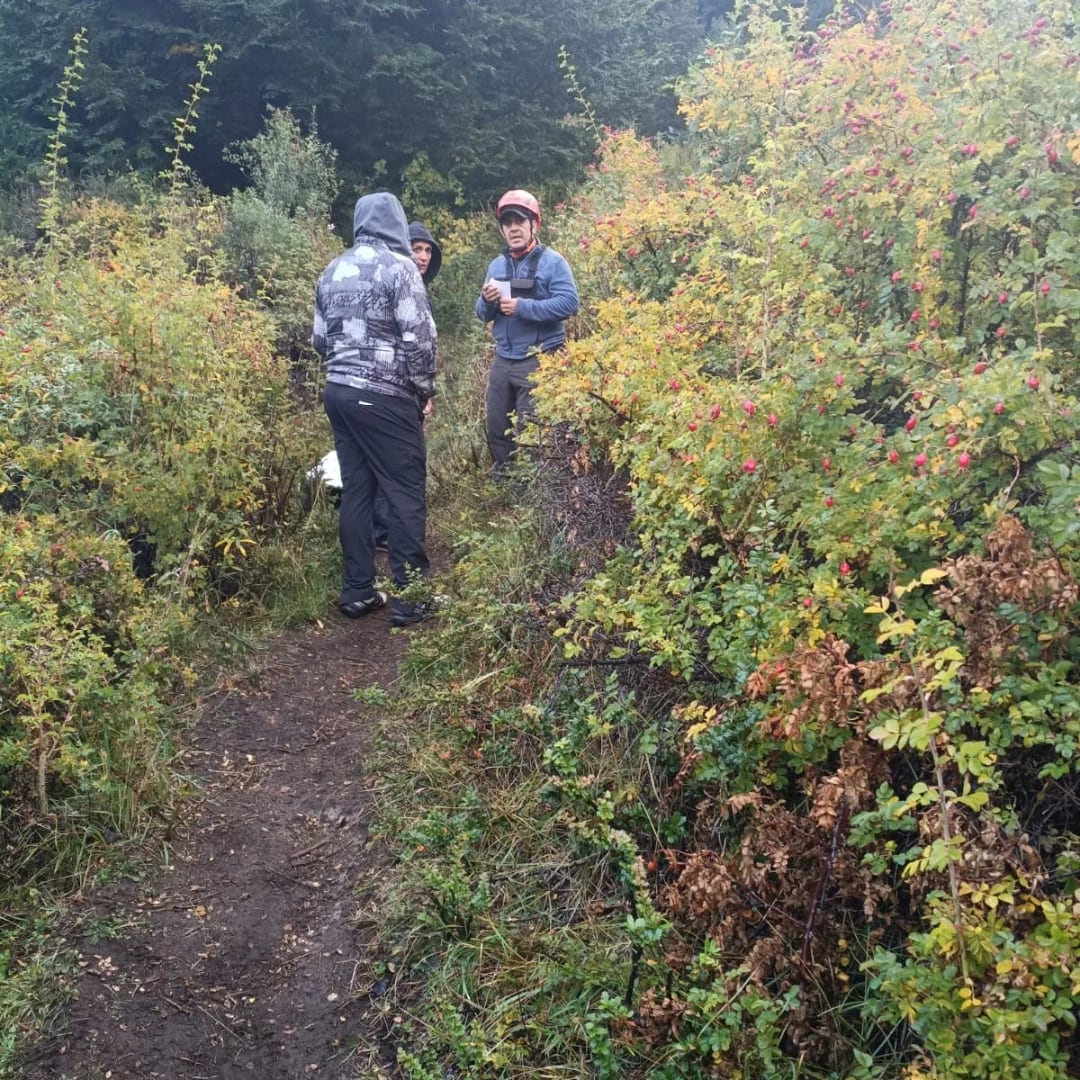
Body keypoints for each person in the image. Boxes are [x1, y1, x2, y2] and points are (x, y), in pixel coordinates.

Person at [313, 191, 437, 627]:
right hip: (384, 397)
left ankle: (358, 591)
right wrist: (423, 391)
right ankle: (411, 600)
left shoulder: (332, 269)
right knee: (404, 492)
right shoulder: (401, 268)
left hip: (338, 393)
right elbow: (419, 339)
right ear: (397, 225)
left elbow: (319, 340)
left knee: (358, 490)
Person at [475, 189, 579, 477]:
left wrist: (522, 307)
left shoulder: (553, 262)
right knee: (497, 425)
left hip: (540, 357)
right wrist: (486, 300)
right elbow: (482, 314)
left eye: (520, 221)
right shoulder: (496, 266)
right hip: (503, 359)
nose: (514, 228)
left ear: (535, 224)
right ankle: (506, 483)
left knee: (531, 429)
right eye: (507, 223)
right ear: (502, 229)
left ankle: (534, 491)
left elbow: (570, 303)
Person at [372, 221, 444, 550]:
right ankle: (393, 539)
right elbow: (416, 343)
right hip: (393, 390)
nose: (424, 256)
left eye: (428, 250)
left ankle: (382, 532)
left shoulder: (411, 284)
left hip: (381, 389)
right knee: (401, 465)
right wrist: (423, 389)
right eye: (417, 248)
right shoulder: (397, 282)